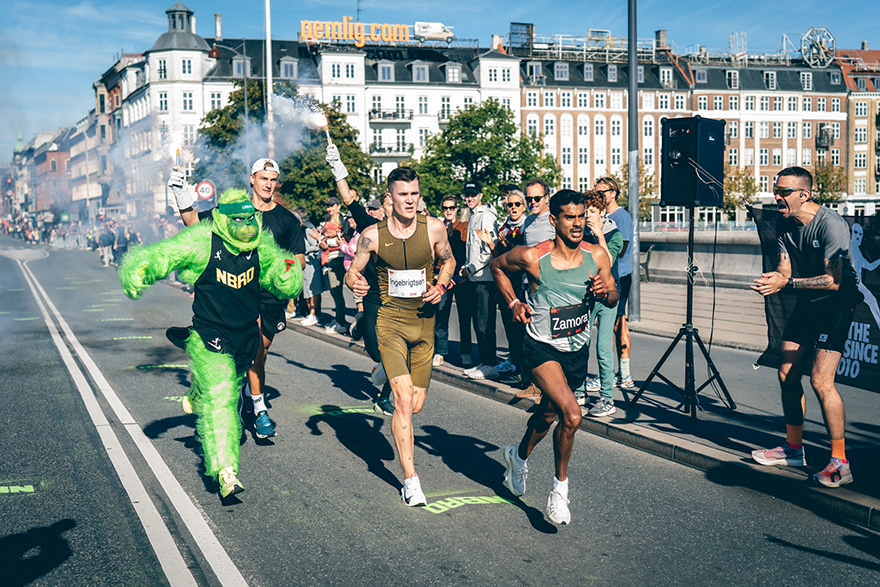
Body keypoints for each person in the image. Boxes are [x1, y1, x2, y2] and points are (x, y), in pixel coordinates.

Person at [118, 188, 303, 500]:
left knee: (230, 384)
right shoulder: (204, 240)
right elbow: (165, 254)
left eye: (250, 218)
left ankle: (196, 387)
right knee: (222, 398)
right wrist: (141, 269)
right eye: (239, 219)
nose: (246, 225)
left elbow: (279, 269)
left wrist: (288, 275)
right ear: (223, 219)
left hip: (245, 334)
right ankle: (225, 470)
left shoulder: (259, 242)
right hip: (211, 332)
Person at [492, 189, 617, 525]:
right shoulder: (534, 256)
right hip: (541, 349)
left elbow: (613, 293)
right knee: (572, 416)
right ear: (554, 220)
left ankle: (517, 458)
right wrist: (514, 302)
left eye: (581, 217)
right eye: (569, 217)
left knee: (548, 416)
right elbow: (497, 267)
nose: (577, 224)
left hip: (577, 351)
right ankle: (559, 491)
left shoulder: (597, 256)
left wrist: (606, 292)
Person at [168, 158, 306, 439]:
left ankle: (244, 393)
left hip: (272, 300)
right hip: (240, 296)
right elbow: (193, 222)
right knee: (253, 351)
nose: (268, 184)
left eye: (273, 179)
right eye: (263, 178)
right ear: (252, 180)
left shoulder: (287, 219)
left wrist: (284, 267)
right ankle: (260, 410)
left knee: (258, 356)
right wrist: (182, 196)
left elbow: (299, 259)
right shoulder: (235, 212)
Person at [344, 166, 456, 506]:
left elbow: (448, 261)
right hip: (389, 323)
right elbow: (352, 272)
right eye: (402, 195)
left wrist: (441, 284)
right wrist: (355, 282)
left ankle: (391, 385)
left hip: (423, 325)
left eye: (414, 194)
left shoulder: (434, 227)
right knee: (403, 399)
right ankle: (411, 480)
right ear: (389, 198)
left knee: (416, 405)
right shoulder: (372, 236)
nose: (410, 200)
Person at [750, 166, 862, 488]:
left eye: (784, 192)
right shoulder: (782, 222)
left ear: (804, 194)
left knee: (820, 380)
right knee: (786, 372)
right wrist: (777, 279)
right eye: (776, 190)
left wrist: (790, 283)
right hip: (808, 300)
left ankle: (840, 462)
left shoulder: (831, 225)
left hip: (838, 302)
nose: (777, 197)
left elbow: (833, 280)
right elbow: (784, 267)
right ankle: (794, 449)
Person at [325, 144, 395, 416]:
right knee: (378, 353)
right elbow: (348, 199)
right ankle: (370, 340)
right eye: (388, 201)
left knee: (403, 352)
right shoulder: (370, 225)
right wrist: (337, 167)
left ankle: (386, 396)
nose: (393, 204)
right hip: (376, 296)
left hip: (403, 300)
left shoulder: (417, 226)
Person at [477, 187, 527, 385]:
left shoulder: (527, 225)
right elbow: (499, 257)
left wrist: (511, 247)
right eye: (509, 204)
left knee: (522, 327)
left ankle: (525, 369)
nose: (513, 207)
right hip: (506, 282)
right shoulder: (503, 227)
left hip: (522, 281)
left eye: (517, 204)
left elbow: (526, 253)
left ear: (523, 206)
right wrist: (491, 244)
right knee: (509, 324)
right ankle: (514, 362)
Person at [580, 190, 624, 417]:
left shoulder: (613, 234)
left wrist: (599, 236)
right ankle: (579, 392)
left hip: (607, 295)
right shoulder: (579, 232)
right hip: (585, 295)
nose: (588, 216)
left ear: (602, 212)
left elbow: (608, 261)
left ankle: (607, 398)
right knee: (580, 344)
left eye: (593, 212)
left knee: (604, 349)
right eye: (585, 211)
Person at [595, 177, 635, 390]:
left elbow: (622, 247)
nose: (600, 195)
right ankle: (618, 374)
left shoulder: (622, 216)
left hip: (620, 275)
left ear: (614, 193)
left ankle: (620, 375)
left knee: (615, 324)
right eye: (596, 191)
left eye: (603, 192)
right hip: (608, 275)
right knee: (613, 324)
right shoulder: (603, 215)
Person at [460, 180, 501, 379]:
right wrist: (467, 267)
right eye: (467, 195)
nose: (469, 198)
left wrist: (471, 268)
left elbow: (489, 249)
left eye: (473, 195)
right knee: (479, 322)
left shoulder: (485, 217)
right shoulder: (474, 216)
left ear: (481, 196)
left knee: (485, 323)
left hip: (485, 279)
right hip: (475, 278)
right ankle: (485, 362)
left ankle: (490, 363)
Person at [433, 195, 470, 367]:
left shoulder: (464, 227)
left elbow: (465, 254)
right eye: (445, 208)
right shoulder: (438, 227)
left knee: (464, 315)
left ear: (456, 208)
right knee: (441, 314)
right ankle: (440, 352)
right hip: (442, 276)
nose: (448, 211)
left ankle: (466, 352)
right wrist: (435, 274)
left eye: (451, 207)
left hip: (460, 278)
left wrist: (458, 277)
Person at [319, 197, 349, 335]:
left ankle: (341, 322)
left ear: (338, 206)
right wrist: (321, 242)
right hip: (331, 257)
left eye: (332, 206)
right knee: (335, 292)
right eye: (328, 206)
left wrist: (328, 243)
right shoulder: (329, 219)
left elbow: (343, 238)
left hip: (338, 257)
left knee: (336, 292)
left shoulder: (342, 219)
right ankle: (339, 319)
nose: (329, 209)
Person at [293, 206, 324, 327]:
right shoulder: (299, 230)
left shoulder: (307, 230)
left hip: (311, 263)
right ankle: (310, 314)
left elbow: (316, 246)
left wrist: (304, 250)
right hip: (305, 263)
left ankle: (313, 314)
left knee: (313, 290)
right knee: (306, 290)